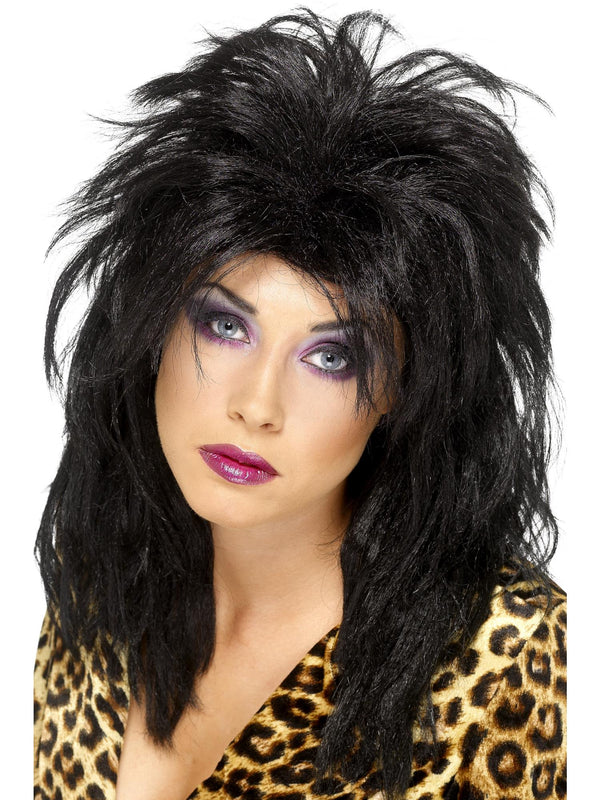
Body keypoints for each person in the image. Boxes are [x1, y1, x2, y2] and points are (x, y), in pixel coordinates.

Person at [33, 8, 566, 800]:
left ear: (405, 392)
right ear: (150, 327)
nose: (257, 406)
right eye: (225, 325)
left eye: (332, 357)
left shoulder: (509, 659)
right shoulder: (97, 598)